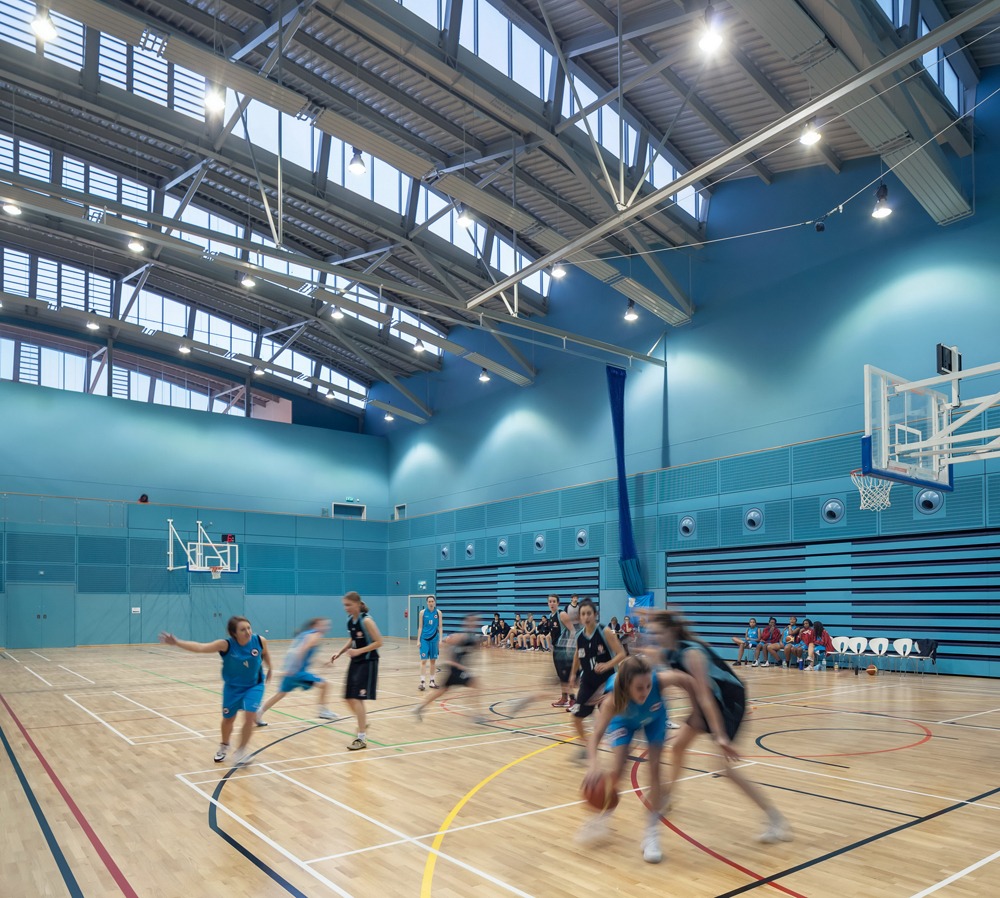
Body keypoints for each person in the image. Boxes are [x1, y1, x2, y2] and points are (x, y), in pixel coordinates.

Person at [648, 609, 791, 844]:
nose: (654, 638)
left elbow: (705, 696)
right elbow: (692, 690)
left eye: (658, 633)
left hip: (729, 703)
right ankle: (668, 797)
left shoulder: (691, 654)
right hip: (708, 703)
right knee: (678, 747)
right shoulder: (670, 652)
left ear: (671, 631)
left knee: (723, 768)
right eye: (652, 633)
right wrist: (695, 715)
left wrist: (721, 736)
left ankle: (775, 819)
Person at [579, 655, 692, 863]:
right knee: (617, 770)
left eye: (648, 686)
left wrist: (699, 705)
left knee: (655, 769)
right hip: (623, 721)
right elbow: (594, 738)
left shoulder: (660, 680)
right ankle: (601, 818)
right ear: (626, 685)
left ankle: (651, 834)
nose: (645, 691)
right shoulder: (612, 701)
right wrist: (593, 765)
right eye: (639, 688)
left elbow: (686, 679)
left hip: (655, 717)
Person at [159, 616, 272, 766]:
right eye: (243, 629)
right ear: (234, 633)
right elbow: (201, 647)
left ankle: (240, 751)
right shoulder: (225, 645)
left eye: (249, 628)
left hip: (254, 685)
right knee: (228, 719)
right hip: (233, 688)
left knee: (250, 716)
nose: (248, 632)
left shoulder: (259, 641)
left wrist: (270, 667)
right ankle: (224, 745)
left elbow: (265, 653)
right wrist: (177, 642)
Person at [255, 618, 338, 726]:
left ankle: (259, 713)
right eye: (324, 625)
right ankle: (323, 711)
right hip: (297, 672)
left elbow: (301, 652)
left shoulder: (305, 634)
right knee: (325, 684)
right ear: (316, 625)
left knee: (280, 694)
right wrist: (294, 669)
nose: (326, 627)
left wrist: (321, 663)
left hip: (290, 671)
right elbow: (301, 650)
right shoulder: (315, 635)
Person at [568, 599, 626, 750]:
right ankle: (588, 747)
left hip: (607, 682)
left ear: (595, 615)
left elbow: (622, 653)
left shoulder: (604, 631)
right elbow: (577, 655)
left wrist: (608, 664)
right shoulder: (579, 636)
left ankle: (621, 747)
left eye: (589, 613)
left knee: (611, 720)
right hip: (588, 682)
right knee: (576, 719)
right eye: (583, 614)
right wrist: (573, 674)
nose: (586, 617)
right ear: (579, 617)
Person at [330, 591, 383, 751]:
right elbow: (353, 639)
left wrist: (358, 651)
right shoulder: (350, 621)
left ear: (358, 604)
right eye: (344, 605)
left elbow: (379, 642)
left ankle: (361, 738)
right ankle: (363, 723)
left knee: (357, 698)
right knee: (348, 697)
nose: (346, 608)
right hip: (356, 661)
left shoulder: (367, 621)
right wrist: (340, 652)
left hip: (368, 661)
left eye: (349, 604)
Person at [414, 613, 484, 723]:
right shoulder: (460, 636)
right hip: (455, 669)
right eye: (472, 621)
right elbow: (444, 642)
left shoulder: (472, 637)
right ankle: (476, 714)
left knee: (442, 690)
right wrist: (451, 661)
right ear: (466, 622)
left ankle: (419, 707)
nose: (475, 623)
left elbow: (471, 650)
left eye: (476, 621)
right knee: (475, 684)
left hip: (456, 670)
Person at [548, 594, 575, 707]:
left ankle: (572, 699)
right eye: (550, 601)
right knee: (561, 675)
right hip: (556, 649)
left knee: (565, 675)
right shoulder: (551, 615)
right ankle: (564, 698)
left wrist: (569, 645)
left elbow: (572, 631)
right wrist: (550, 644)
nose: (552, 603)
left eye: (554, 601)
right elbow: (553, 633)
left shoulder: (562, 614)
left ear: (558, 603)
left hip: (563, 649)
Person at [418, 596, 443, 690]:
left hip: (434, 639)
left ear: (434, 602)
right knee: (423, 660)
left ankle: (432, 681)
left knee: (433, 660)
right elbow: (420, 627)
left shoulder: (438, 613)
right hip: (424, 639)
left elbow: (440, 627)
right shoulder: (422, 612)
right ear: (427, 602)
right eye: (429, 601)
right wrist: (418, 640)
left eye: (432, 601)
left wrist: (440, 640)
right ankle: (422, 682)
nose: (431, 603)